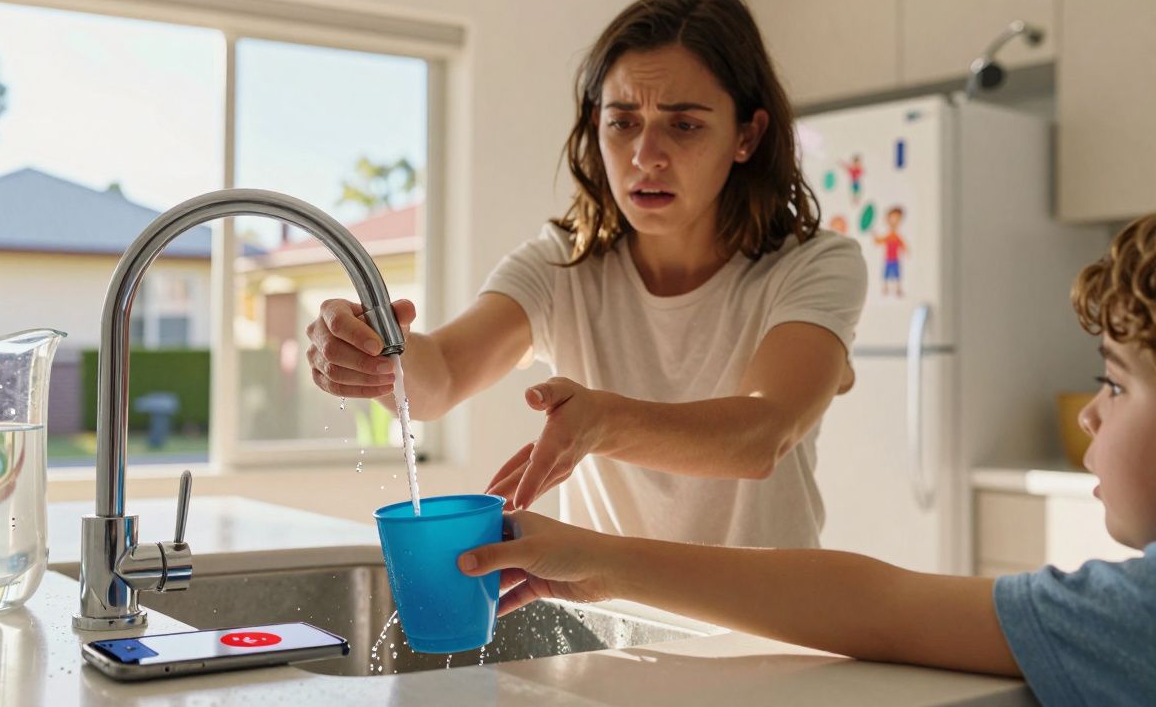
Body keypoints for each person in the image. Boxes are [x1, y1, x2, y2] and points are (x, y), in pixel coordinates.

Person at [457, 213, 1156, 705]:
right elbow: (879, 605)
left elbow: (883, 607)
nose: (1091, 413)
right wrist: (597, 560)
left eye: (1117, 383)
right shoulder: (1129, 609)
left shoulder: (1135, 617)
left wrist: (600, 544)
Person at [304, 0, 867, 548]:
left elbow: (762, 434)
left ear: (747, 135)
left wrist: (603, 422)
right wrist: (376, 354)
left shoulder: (815, 266)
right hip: (607, 600)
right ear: (597, 125)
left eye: (684, 125)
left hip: (772, 603)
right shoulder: (561, 264)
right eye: (623, 122)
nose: (646, 156)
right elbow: (443, 375)